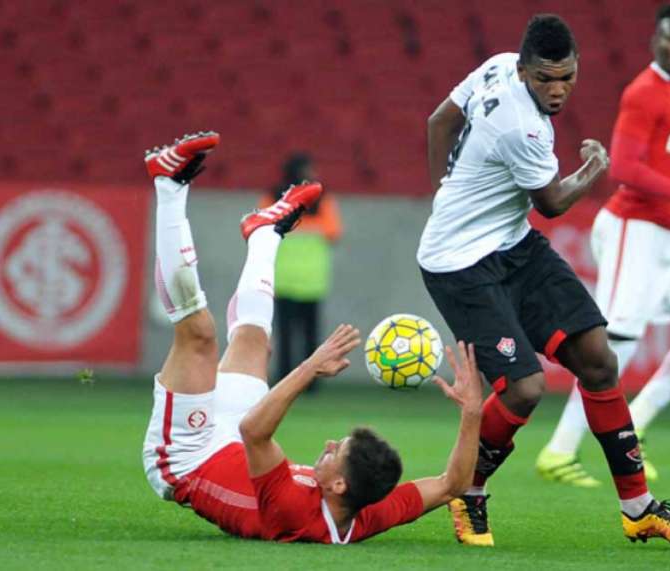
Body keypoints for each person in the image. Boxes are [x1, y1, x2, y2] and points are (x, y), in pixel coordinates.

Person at [417, 14, 670, 548]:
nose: (557, 90)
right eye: (545, 79)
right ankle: (468, 489)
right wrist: (594, 166)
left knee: (598, 358)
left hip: (512, 245)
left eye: (566, 77)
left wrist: (444, 193)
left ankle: (639, 507)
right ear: (524, 71)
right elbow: (550, 203)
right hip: (459, 264)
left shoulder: (499, 63)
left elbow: (440, 121)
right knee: (525, 389)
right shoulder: (520, 125)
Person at [141, 131, 484, 544]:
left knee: (199, 336)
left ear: (337, 485)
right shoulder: (367, 512)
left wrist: (310, 366)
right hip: (236, 441)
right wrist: (472, 414)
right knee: (254, 341)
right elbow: (452, 485)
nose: (327, 444)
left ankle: (169, 184)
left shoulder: (293, 512)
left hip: (187, 456)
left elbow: (255, 430)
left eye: (336, 451)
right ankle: (265, 234)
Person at [536, 4, 670, 487]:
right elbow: (623, 168)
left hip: (665, 234)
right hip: (631, 228)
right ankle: (558, 452)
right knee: (614, 344)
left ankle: (637, 420)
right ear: (656, 42)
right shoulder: (645, 92)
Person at [264, 153, 344, 384]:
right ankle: (311, 381)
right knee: (307, 335)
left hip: (288, 278)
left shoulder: (273, 199)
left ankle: (287, 380)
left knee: (289, 335)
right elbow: (333, 231)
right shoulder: (323, 200)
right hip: (307, 279)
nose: (314, 175)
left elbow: (263, 227)